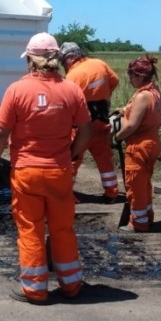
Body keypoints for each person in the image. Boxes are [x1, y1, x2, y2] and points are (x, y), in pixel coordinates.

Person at [0, 32, 92, 305]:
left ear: (31, 61)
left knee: (31, 229)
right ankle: (71, 285)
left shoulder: (17, 90)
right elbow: (86, 129)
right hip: (59, 172)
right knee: (62, 229)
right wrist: (71, 155)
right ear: (56, 59)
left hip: (27, 173)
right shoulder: (71, 90)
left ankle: (35, 289)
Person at [60, 42, 120, 204]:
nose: (63, 65)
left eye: (63, 61)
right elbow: (115, 81)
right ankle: (112, 192)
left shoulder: (73, 76)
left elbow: (67, 103)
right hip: (101, 122)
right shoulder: (100, 64)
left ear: (71, 57)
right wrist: (102, 95)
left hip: (81, 127)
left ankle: (67, 195)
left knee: (73, 158)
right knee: (104, 159)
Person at [112, 54, 161, 233]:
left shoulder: (143, 96)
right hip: (152, 142)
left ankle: (138, 223)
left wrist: (117, 137)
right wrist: (123, 110)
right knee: (144, 183)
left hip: (139, 145)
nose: (129, 79)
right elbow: (139, 111)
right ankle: (147, 216)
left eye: (131, 76)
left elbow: (132, 125)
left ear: (140, 76)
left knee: (135, 184)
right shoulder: (154, 92)